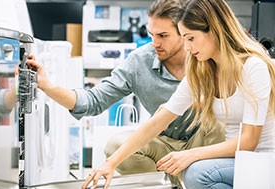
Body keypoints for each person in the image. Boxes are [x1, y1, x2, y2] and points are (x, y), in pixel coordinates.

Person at [81, 0, 275, 188]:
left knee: (197, 173)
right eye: (184, 39)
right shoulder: (202, 72)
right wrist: (111, 163)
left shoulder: (253, 67)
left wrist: (191, 154)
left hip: (262, 160)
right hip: (232, 161)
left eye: (191, 38)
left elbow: (250, 141)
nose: (187, 48)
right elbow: (159, 121)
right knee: (195, 171)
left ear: (214, 30)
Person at [27, 0, 224, 183]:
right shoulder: (139, 62)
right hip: (163, 144)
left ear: (183, 32)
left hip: (205, 145)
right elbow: (92, 101)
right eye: (151, 34)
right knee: (116, 146)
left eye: (163, 36)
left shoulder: (205, 56)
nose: (155, 43)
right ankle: (168, 185)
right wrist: (49, 86)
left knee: (216, 124)